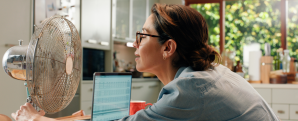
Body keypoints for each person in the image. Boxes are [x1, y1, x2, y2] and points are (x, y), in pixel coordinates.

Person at [12, 3, 279, 121]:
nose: (134, 43)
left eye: (142, 35)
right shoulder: (209, 74)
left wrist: (35, 119)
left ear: (168, 47)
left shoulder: (192, 89)